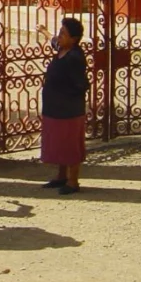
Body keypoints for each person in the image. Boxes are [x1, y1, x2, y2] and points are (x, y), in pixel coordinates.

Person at [37, 17, 89, 195]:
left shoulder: (75, 57)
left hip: (69, 110)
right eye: (59, 32)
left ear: (73, 39)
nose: (59, 36)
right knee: (59, 144)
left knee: (70, 145)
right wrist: (43, 30)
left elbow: (81, 84)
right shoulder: (61, 49)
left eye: (63, 34)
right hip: (54, 108)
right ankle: (61, 176)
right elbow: (52, 40)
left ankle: (73, 181)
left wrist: (66, 95)